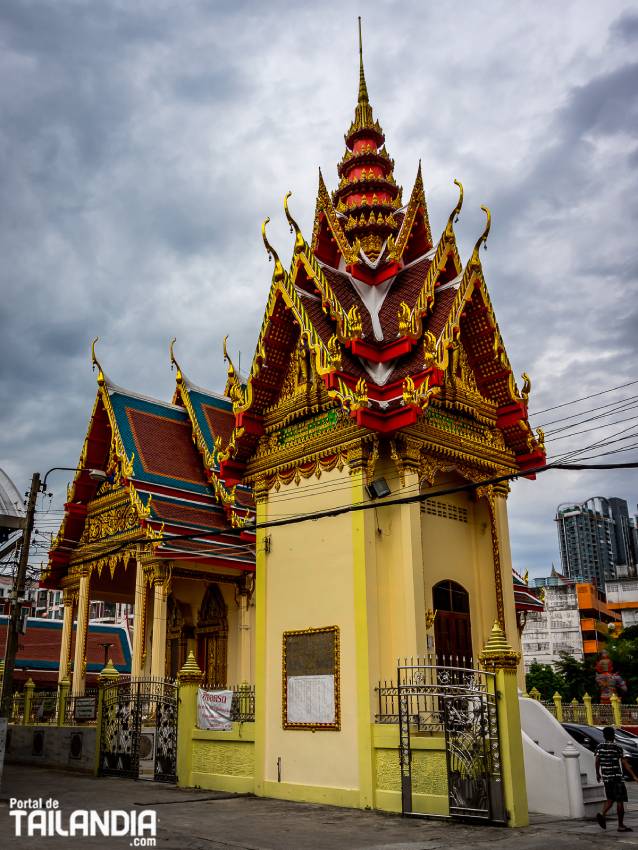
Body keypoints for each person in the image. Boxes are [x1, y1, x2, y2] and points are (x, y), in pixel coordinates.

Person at [595, 726, 638, 832]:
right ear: (613, 735)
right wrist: (634, 776)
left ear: (604, 736)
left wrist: (598, 774)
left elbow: (597, 761)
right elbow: (624, 762)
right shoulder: (617, 747)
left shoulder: (599, 747)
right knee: (620, 801)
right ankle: (620, 825)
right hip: (617, 778)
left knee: (610, 798)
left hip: (606, 778)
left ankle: (602, 813)